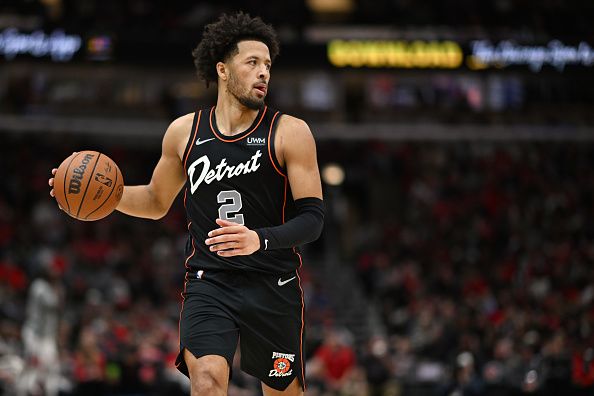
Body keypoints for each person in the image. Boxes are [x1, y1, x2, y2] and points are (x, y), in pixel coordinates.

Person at [49, 11, 324, 396]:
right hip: (209, 283)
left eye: (268, 65)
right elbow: (155, 200)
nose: (264, 72)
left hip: (272, 283)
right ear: (223, 70)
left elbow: (313, 219)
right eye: (252, 62)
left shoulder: (290, 132)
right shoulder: (184, 132)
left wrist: (258, 239)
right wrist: (103, 197)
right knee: (208, 381)